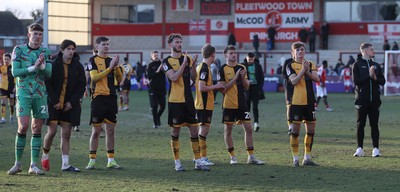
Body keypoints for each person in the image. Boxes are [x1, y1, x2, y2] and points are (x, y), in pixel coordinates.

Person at [7, 23, 52, 175]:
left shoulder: (45, 52)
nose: (38, 37)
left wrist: (42, 67)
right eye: (35, 34)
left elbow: (49, 74)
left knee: (37, 128)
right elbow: (15, 72)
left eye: (40, 34)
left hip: (40, 94)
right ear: (29, 34)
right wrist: (34, 67)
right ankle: (18, 163)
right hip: (24, 93)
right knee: (23, 126)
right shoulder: (18, 50)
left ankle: (33, 165)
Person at [162, 33, 209, 171]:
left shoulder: (187, 59)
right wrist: (184, 64)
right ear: (170, 45)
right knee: (175, 132)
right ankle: (177, 162)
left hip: (188, 101)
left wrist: (193, 65)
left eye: (180, 42)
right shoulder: (166, 61)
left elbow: (194, 78)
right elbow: (174, 77)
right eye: (176, 42)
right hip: (175, 101)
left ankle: (198, 161)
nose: (179, 44)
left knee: (194, 131)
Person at [41, 39, 86, 172]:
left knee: (66, 134)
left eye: (73, 49)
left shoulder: (78, 66)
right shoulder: (54, 64)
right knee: (52, 132)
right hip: (54, 104)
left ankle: (65, 164)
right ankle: (45, 156)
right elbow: (47, 83)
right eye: (69, 49)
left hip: (69, 105)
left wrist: (71, 102)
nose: (71, 51)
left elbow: (81, 85)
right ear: (62, 50)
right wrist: (55, 101)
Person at [217, 45, 265, 165]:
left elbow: (247, 86)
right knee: (228, 130)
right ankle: (232, 157)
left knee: (249, 129)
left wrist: (243, 77)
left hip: (242, 103)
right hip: (228, 104)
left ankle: (251, 157)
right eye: (231, 53)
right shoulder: (222, 69)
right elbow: (222, 89)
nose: (233, 55)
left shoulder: (242, 67)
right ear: (226, 55)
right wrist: (235, 77)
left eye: (234, 53)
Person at [85, 36, 123, 170]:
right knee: (96, 131)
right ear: (97, 47)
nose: (106, 46)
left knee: (111, 131)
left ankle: (111, 160)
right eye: (103, 44)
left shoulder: (111, 60)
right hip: (98, 98)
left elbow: (119, 79)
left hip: (111, 98)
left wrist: (116, 66)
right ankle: (92, 160)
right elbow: (94, 77)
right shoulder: (93, 60)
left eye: (107, 44)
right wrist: (110, 68)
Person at [285, 41, 320, 167]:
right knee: (295, 131)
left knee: (311, 130)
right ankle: (295, 158)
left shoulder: (310, 64)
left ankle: (307, 158)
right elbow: (293, 81)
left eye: (302, 49)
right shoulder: (290, 65)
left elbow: (317, 79)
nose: (300, 52)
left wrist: (307, 71)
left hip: (309, 102)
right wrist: (303, 71)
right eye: (297, 50)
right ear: (293, 52)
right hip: (296, 102)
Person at [352, 43, 386, 157]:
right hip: (361, 101)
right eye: (372, 49)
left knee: (374, 125)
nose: (374, 51)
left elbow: (382, 81)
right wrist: (369, 75)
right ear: (365, 51)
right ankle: (359, 149)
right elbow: (356, 81)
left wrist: (375, 78)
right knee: (360, 124)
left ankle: (376, 149)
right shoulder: (356, 65)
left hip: (375, 101)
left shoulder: (376, 65)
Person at [194, 43, 225, 166]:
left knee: (203, 130)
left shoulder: (200, 67)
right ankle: (202, 157)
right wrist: (216, 86)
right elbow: (202, 87)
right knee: (203, 130)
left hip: (204, 104)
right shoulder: (204, 68)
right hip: (203, 104)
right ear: (213, 55)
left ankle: (199, 156)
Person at [243, 52, 264, 132]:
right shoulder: (243, 66)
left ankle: (256, 123)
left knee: (255, 107)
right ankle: (247, 123)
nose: (250, 61)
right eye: (249, 59)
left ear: (254, 58)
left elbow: (261, 78)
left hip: (255, 89)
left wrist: (260, 88)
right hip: (247, 89)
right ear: (246, 58)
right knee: (247, 107)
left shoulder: (258, 66)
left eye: (252, 59)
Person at [146, 51, 166, 129]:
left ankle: (157, 117)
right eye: (155, 55)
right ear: (152, 56)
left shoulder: (162, 64)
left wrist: (163, 70)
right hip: (153, 89)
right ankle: (155, 122)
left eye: (157, 55)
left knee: (163, 106)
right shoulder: (150, 65)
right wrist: (157, 71)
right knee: (154, 106)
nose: (156, 56)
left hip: (161, 89)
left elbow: (167, 72)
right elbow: (148, 76)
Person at [0, 53, 15, 124]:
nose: (6, 60)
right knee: (3, 102)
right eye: (4, 59)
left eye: (7, 59)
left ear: (10, 60)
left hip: (11, 88)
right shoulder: (1, 67)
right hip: (3, 88)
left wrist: (15, 87)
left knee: (11, 104)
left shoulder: (13, 67)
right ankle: (3, 118)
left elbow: (16, 78)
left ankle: (11, 116)